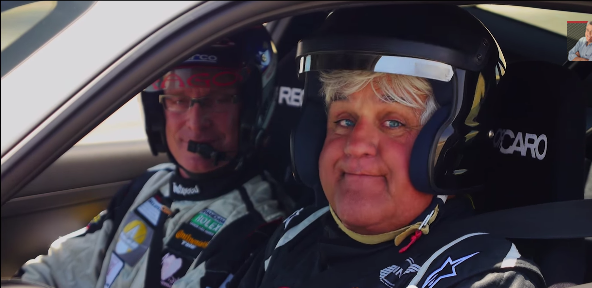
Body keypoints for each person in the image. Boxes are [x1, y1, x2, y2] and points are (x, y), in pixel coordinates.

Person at [239, 4, 545, 288]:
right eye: (344, 120)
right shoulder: (294, 234)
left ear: (451, 148)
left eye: (394, 123)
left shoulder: (483, 276)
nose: (356, 146)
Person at [16, 25, 287, 288]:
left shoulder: (253, 226)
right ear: (159, 113)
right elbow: (64, 267)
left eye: (218, 100)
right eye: (178, 100)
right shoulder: (149, 185)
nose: (195, 122)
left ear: (251, 112)